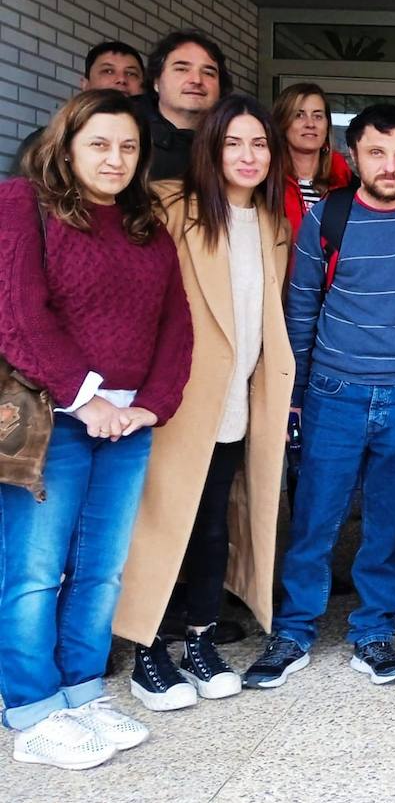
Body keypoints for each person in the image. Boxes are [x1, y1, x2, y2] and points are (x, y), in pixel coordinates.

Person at [243, 104, 395, 690]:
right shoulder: (327, 217)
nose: (390, 165)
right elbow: (301, 308)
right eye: (377, 152)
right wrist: (293, 395)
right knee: (316, 518)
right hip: (333, 394)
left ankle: (373, 631)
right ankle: (292, 632)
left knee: (387, 521)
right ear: (353, 157)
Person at [0, 90, 192, 770]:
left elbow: (176, 323)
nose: (115, 158)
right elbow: (18, 313)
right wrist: (86, 398)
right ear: (69, 144)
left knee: (102, 570)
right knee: (32, 570)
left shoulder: (146, 223)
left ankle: (81, 691)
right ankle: (31, 707)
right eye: (100, 144)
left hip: (126, 424)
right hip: (54, 417)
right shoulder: (25, 204)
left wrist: (152, 403)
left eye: (128, 146)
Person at [112, 95, 293, 713]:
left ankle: (201, 639)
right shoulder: (170, 207)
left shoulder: (272, 225)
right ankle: (146, 651)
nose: (248, 156)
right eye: (234, 143)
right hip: (174, 398)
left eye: (260, 144)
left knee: (213, 525)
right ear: (211, 148)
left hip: (238, 398)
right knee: (163, 521)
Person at [9, 42, 146, 177]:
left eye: (131, 73)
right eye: (108, 71)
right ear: (85, 85)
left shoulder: (152, 139)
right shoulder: (46, 141)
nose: (121, 79)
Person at [142, 30, 232, 181]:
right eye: (182, 69)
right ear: (156, 82)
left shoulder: (234, 146)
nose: (196, 80)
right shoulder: (133, 139)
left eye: (208, 73)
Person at [272, 83, 352, 235]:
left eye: (318, 116)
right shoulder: (267, 181)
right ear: (282, 123)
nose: (310, 124)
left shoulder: (346, 182)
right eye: (299, 115)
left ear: (327, 125)